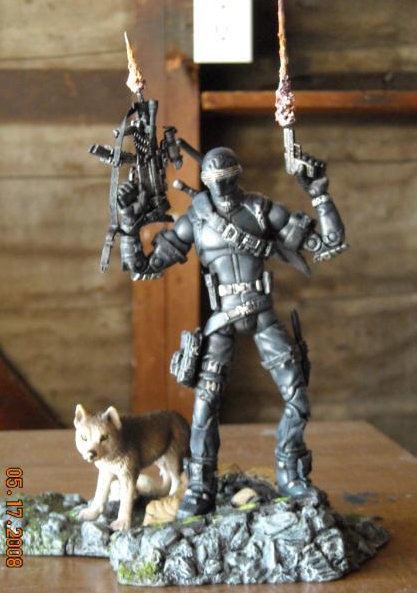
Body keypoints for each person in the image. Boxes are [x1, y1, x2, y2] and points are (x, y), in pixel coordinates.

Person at [118, 146, 347, 519]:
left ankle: (290, 474)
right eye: (214, 180)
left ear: (237, 175)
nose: (221, 187)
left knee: (298, 399)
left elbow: (329, 244)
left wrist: (319, 192)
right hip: (222, 319)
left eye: (225, 179)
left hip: (261, 312)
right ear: (205, 181)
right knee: (204, 405)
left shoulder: (261, 210)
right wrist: (129, 223)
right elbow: (143, 267)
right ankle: (200, 486)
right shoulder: (195, 219)